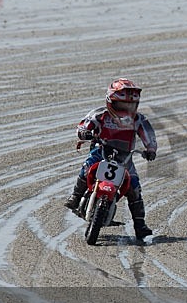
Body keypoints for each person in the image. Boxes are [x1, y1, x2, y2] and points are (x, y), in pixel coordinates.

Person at [64, 78, 157, 240]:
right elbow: (83, 125)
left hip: (125, 157)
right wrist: (84, 133)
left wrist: (150, 149)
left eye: (130, 105)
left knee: (134, 188)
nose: (125, 109)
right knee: (87, 167)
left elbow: (148, 134)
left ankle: (140, 225)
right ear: (110, 101)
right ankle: (75, 197)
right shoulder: (100, 114)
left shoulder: (138, 119)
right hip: (101, 150)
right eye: (121, 105)